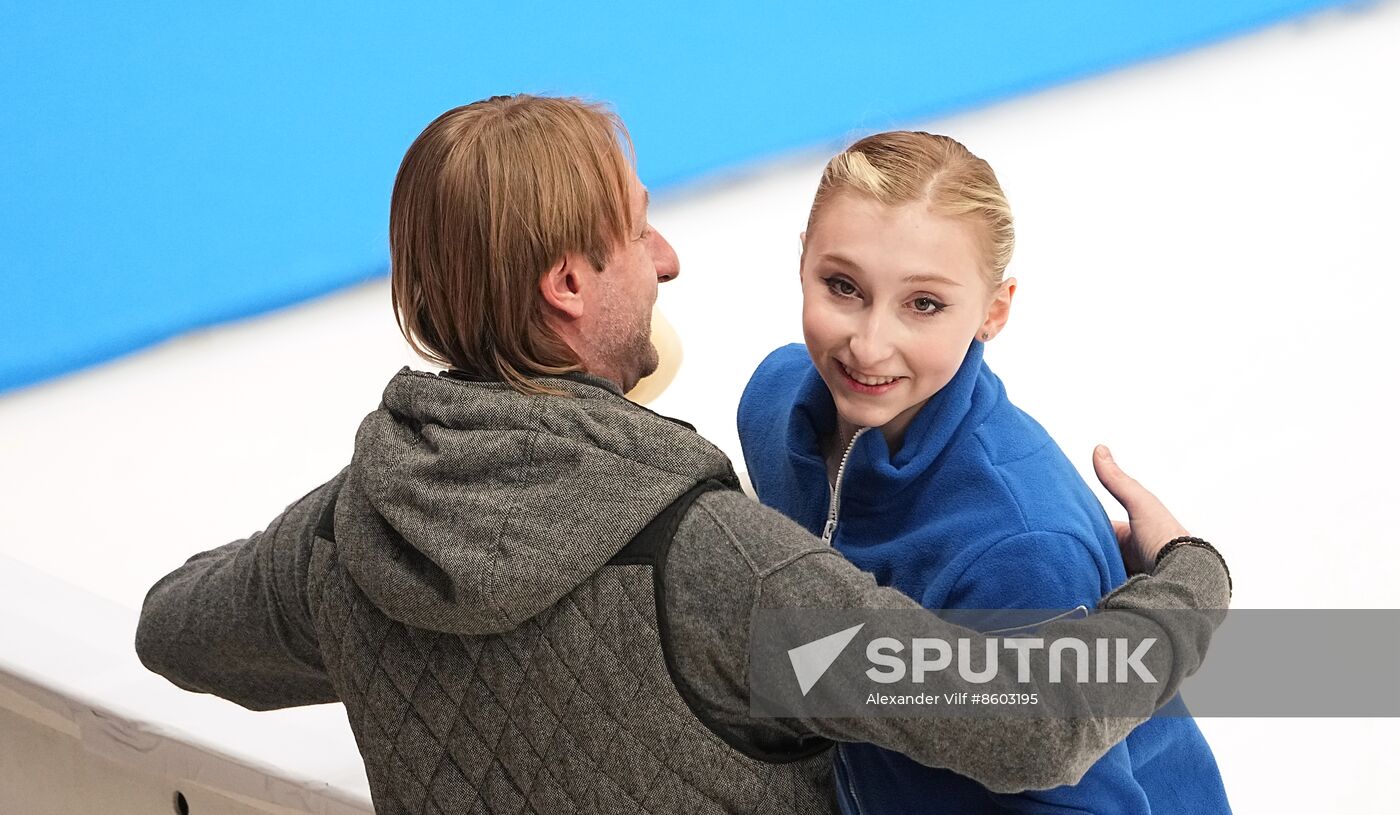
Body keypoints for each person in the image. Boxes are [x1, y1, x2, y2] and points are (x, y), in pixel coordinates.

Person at [136, 95, 1233, 815]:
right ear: (567, 286)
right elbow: (1034, 722)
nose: (664, 257)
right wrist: (1187, 579)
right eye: (636, 227)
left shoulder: (345, 536)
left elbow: (175, 630)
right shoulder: (719, 570)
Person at [737, 131, 1231, 813]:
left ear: (993, 312)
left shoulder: (1016, 546)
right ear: (803, 263)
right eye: (843, 286)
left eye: (924, 304)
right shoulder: (772, 405)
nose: (869, 343)